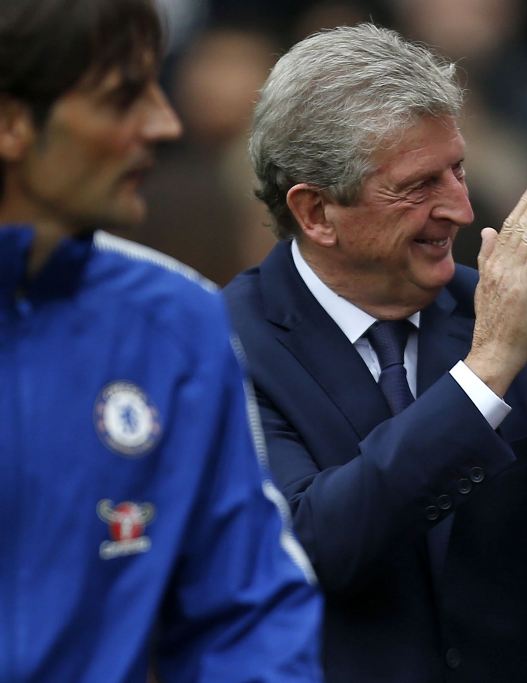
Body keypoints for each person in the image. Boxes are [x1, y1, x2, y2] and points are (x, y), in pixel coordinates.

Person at [224, 23, 527, 683]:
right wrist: (484, 375)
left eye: (459, 170)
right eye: (419, 185)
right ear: (316, 212)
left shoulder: (501, 313)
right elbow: (309, 547)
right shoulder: (225, 342)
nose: (463, 209)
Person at [0, 1, 323, 681]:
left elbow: (247, 609)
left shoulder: (177, 321)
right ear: (10, 122)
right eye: (122, 99)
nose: (164, 123)